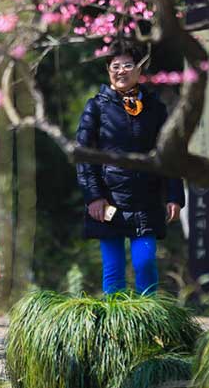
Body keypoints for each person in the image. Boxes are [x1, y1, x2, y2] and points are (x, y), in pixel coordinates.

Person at [75, 40, 185, 295]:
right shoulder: (96, 107)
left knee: (145, 263)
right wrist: (93, 197)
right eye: (115, 66)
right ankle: (116, 328)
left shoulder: (155, 108)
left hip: (146, 200)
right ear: (107, 70)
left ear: (139, 70)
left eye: (128, 65)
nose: (121, 71)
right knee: (113, 268)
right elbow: (83, 156)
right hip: (108, 201)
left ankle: (149, 322)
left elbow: (169, 154)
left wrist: (174, 196)